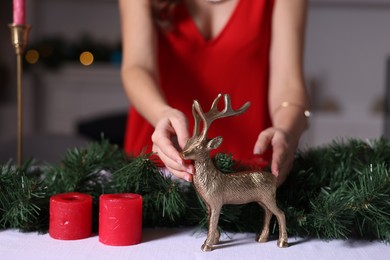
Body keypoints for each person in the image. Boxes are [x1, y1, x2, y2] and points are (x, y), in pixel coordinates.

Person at [118, 0, 310, 186]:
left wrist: (286, 130)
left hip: (247, 177)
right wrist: (160, 113)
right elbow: (138, 67)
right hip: (157, 166)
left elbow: (288, 83)